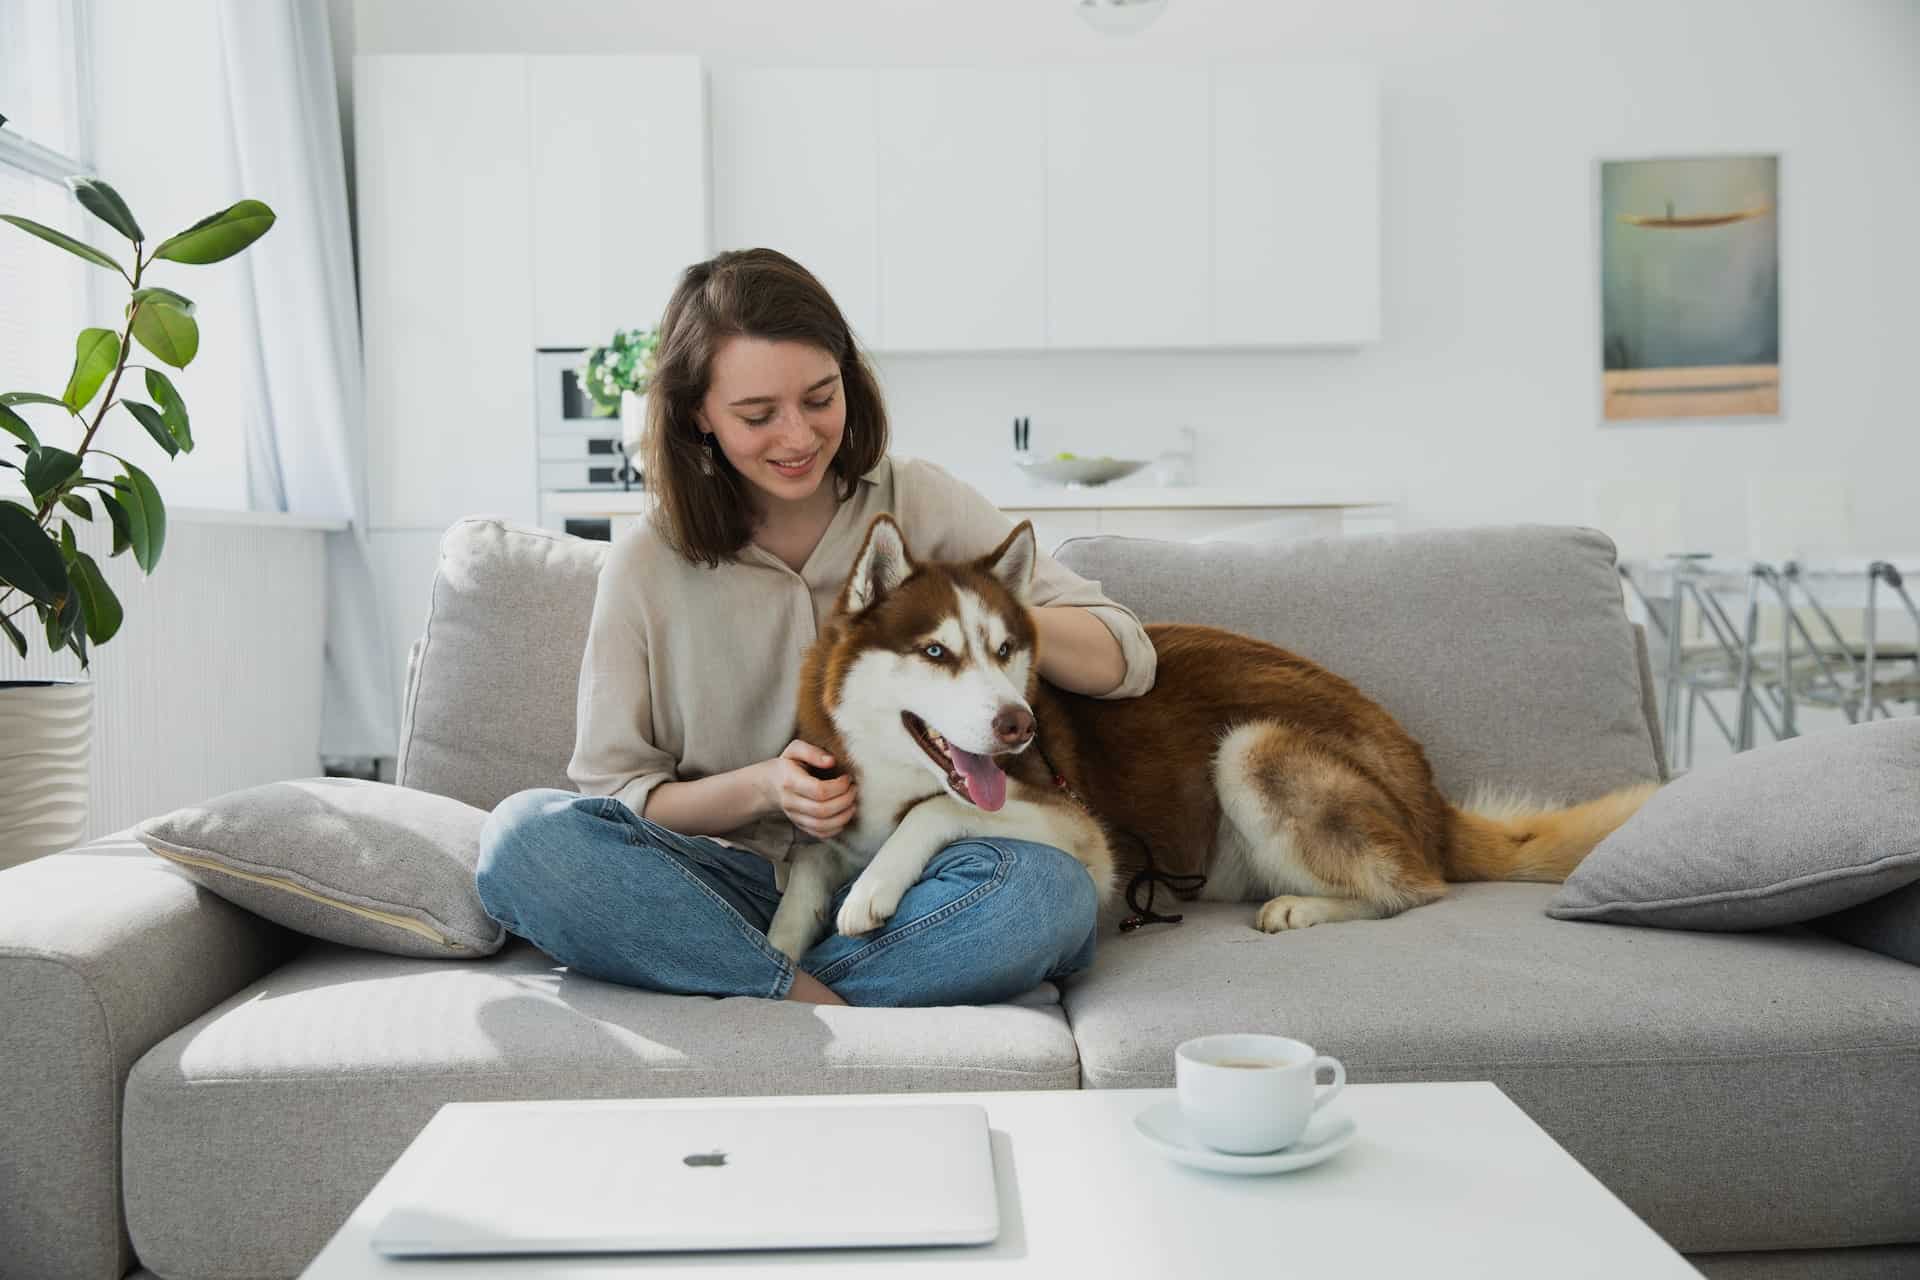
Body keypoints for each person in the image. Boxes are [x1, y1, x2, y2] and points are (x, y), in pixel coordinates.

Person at [476, 248, 1156, 1007]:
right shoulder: (645, 566)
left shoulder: (919, 501)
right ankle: (812, 997)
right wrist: (765, 788)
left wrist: (973, 607)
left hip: (915, 875)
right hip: (724, 884)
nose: (798, 437)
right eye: (757, 415)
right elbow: (620, 793)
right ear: (698, 413)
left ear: (848, 380)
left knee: (1046, 894)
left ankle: (765, 994)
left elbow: (1124, 657)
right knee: (522, 839)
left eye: (819, 398)